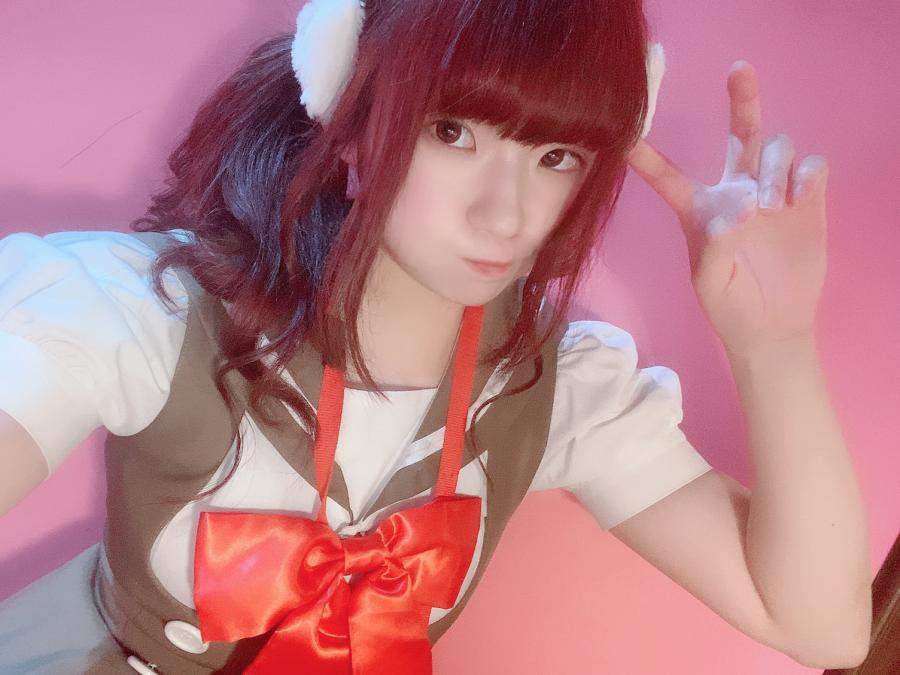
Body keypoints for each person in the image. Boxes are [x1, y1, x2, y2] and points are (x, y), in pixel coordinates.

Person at [0, 0, 871, 673]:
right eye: (451, 132)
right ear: (350, 119)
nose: (507, 214)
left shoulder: (551, 386)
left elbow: (821, 624)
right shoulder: (142, 316)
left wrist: (772, 343)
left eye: (556, 156)